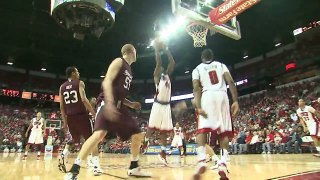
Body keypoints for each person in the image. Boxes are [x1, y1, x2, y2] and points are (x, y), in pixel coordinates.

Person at [64, 44, 150, 180]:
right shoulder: (119, 61)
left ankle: (134, 167)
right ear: (131, 51)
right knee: (99, 134)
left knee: (138, 134)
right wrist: (109, 103)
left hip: (120, 106)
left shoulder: (129, 69)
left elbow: (119, 93)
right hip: (107, 103)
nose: (137, 54)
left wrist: (130, 104)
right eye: (136, 51)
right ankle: (74, 170)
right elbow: (107, 82)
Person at [192, 48, 239, 180]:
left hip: (207, 96)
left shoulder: (197, 69)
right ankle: (223, 163)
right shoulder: (221, 65)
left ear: (202, 57)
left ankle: (201, 160)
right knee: (223, 132)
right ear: (212, 57)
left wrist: (199, 106)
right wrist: (235, 101)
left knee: (202, 130)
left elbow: (196, 87)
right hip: (223, 96)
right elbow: (230, 82)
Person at [58, 67, 101, 175]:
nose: (79, 73)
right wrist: (94, 114)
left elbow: (62, 107)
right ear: (73, 73)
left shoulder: (62, 87)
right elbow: (83, 99)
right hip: (81, 116)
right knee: (92, 140)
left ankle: (64, 155)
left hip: (70, 117)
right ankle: (96, 167)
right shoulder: (80, 83)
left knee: (75, 140)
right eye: (77, 71)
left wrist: (65, 122)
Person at [144, 39, 175, 165]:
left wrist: (167, 50)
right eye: (160, 67)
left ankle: (162, 153)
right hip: (157, 105)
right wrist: (157, 49)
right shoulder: (157, 76)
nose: (161, 67)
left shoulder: (167, 75)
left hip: (166, 106)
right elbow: (159, 62)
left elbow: (172, 62)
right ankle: (145, 141)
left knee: (164, 131)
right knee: (151, 128)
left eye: (162, 67)